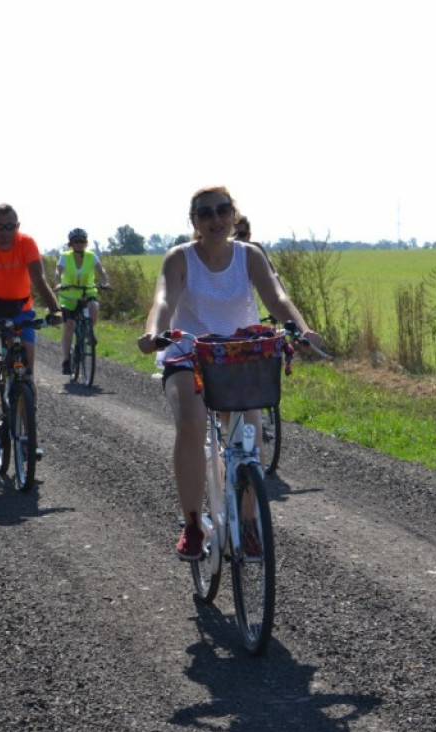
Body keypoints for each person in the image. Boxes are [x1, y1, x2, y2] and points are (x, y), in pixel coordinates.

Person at [137, 185, 321, 560]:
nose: (215, 219)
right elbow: (164, 299)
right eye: (206, 213)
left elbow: (277, 298)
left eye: (223, 211)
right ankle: (192, 525)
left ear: (233, 216)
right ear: (194, 222)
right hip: (188, 352)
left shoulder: (249, 256)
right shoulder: (180, 258)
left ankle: (248, 524)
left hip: (239, 354)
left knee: (250, 438)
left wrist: (300, 328)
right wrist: (153, 332)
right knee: (191, 423)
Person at [0, 203, 62, 414]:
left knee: (26, 374)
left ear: (18, 226)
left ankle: (27, 439)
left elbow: (38, 279)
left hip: (20, 309)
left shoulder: (26, 243)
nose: (5, 232)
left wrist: (56, 310)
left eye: (10, 227)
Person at [55, 227, 111, 375]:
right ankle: (66, 360)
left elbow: (101, 271)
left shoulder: (91, 256)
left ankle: (88, 331)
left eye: (82, 241)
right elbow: (58, 271)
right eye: (76, 242)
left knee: (94, 306)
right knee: (69, 325)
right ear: (71, 244)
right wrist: (58, 283)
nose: (79, 244)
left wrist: (105, 282)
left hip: (87, 292)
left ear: (86, 243)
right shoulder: (64, 257)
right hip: (70, 295)